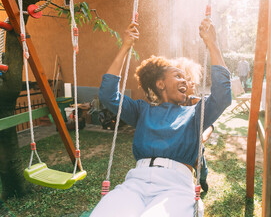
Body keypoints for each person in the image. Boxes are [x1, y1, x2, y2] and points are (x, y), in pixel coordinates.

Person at [90, 18, 231, 217]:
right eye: (178, 76)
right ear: (161, 84)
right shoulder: (141, 111)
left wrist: (212, 44)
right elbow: (107, 95)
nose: (185, 80)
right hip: (135, 183)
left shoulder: (195, 113)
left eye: (185, 77)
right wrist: (125, 47)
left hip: (175, 187)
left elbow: (223, 94)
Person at [171, 57, 212, 193]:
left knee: (202, 169)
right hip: (180, 151)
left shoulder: (195, 102)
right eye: (188, 79)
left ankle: (202, 180)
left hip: (197, 147)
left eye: (192, 78)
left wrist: (204, 136)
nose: (193, 82)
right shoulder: (170, 106)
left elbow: (210, 124)